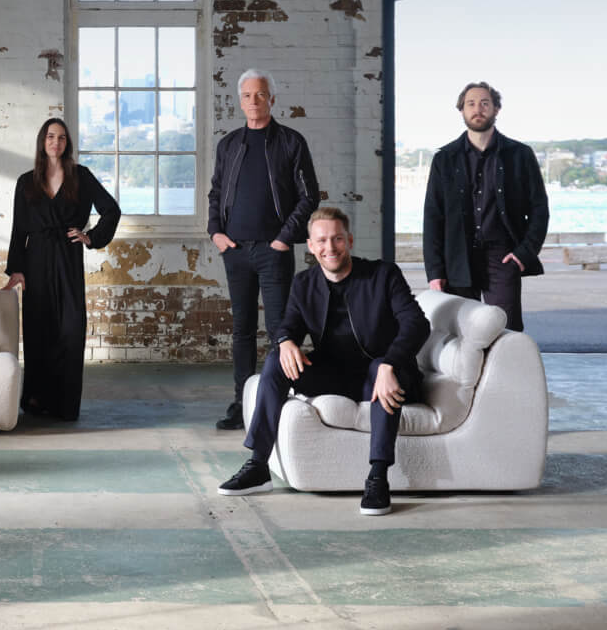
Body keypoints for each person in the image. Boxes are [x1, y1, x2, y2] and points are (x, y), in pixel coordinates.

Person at [218, 206, 430, 516]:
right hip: (336, 376)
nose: (330, 248)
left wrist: (390, 363)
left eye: (337, 239)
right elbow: (287, 324)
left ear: (350, 240)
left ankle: (377, 477)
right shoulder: (304, 283)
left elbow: (416, 323)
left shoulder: (383, 275)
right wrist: (285, 341)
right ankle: (258, 465)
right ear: (311, 245)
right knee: (277, 361)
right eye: (322, 241)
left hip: (385, 374)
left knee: (377, 367)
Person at [206, 68, 319, 431]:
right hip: (235, 252)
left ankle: (274, 402)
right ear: (240, 101)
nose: (253, 101)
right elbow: (215, 193)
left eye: (260, 94)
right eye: (247, 96)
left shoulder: (291, 142)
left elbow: (309, 196)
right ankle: (241, 403)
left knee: (278, 329)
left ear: (272, 98)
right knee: (241, 329)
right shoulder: (229, 145)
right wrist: (216, 234)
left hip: (274, 252)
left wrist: (284, 238)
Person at [4, 117, 121, 422]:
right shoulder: (26, 181)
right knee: (39, 328)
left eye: (62, 138)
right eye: (51, 137)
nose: (56, 143)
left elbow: (111, 209)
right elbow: (19, 229)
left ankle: (65, 403)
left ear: (67, 144)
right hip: (37, 258)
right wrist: (16, 269)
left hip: (68, 256)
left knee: (70, 328)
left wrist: (90, 237)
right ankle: (36, 399)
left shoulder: (80, 176)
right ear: (42, 142)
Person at [422, 81, 549, 333]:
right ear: (461, 110)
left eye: (484, 103)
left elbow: (539, 209)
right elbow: (433, 218)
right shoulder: (444, 159)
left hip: (503, 257)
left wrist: (523, 254)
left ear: (496, 109)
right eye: (470, 103)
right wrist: (434, 271)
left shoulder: (520, 155)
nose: (477, 108)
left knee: (506, 331)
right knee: (460, 332)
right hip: (457, 259)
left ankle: (504, 374)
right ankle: (466, 375)